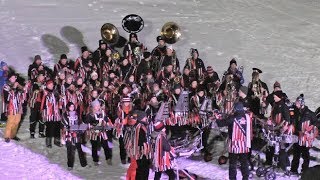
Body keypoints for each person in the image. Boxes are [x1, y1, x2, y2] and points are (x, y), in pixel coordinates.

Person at [216, 102, 252, 180]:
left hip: (234, 144)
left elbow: (221, 123)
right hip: (244, 144)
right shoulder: (247, 117)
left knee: (233, 164)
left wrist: (217, 117)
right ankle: (245, 178)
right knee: (244, 163)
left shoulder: (232, 118)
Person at [291, 94, 318, 174]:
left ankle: (304, 171)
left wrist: (310, 130)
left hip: (305, 138)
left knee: (305, 155)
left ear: (301, 103)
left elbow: (316, 123)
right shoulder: (296, 111)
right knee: (296, 154)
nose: (296, 104)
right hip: (297, 136)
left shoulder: (310, 113)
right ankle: (293, 170)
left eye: (297, 103)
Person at [84, 99, 113, 166]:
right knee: (94, 146)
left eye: (98, 106)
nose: (97, 107)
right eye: (96, 106)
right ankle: (95, 160)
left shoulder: (102, 113)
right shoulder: (90, 115)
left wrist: (107, 123)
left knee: (105, 145)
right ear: (93, 107)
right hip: (94, 133)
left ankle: (108, 159)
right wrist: (93, 126)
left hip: (102, 132)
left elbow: (106, 119)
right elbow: (86, 123)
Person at [62, 102, 88, 170]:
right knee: (70, 150)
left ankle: (84, 164)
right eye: (71, 107)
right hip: (69, 136)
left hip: (77, 135)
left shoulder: (76, 115)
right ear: (68, 107)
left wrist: (81, 129)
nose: (72, 108)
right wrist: (72, 130)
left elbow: (80, 123)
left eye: (73, 106)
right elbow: (65, 126)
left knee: (80, 150)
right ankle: (70, 165)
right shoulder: (65, 115)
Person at [3, 72, 25, 142]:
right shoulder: (6, 86)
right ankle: (7, 136)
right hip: (11, 107)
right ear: (9, 78)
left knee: (17, 121)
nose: (15, 78)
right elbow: (7, 98)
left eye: (15, 77)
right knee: (10, 121)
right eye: (13, 77)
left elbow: (23, 92)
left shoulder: (17, 85)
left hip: (18, 106)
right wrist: (15, 87)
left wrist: (21, 88)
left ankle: (13, 135)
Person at [41, 79, 61, 148]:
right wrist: (43, 112)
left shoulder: (55, 92)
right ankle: (48, 142)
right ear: (47, 85)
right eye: (50, 84)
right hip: (48, 112)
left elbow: (58, 99)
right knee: (49, 127)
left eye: (52, 84)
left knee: (57, 126)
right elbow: (43, 102)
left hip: (56, 112)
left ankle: (57, 140)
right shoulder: (44, 92)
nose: (51, 85)